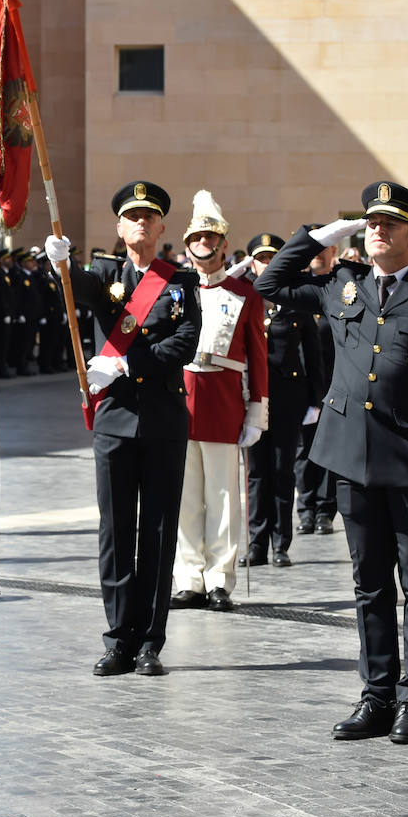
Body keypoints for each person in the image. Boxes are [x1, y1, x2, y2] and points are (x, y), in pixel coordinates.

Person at [255, 181, 408, 745]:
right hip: (350, 456)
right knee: (369, 584)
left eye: (391, 223)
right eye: (372, 222)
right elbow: (269, 284)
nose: (378, 229)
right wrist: (316, 236)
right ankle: (376, 696)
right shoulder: (341, 282)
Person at [45, 180, 202, 676]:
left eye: (148, 216)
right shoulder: (103, 273)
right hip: (114, 421)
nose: (140, 222)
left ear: (161, 227)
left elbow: (186, 343)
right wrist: (61, 265)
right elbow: (83, 292)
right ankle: (118, 639)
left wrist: (128, 367)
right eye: (131, 216)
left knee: (157, 532)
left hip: (163, 420)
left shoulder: (180, 281)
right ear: (118, 227)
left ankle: (151, 642)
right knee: (116, 531)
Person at [170, 192, 267, 610]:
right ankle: (188, 577)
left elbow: (258, 359)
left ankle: (219, 581)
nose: (205, 243)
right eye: (197, 236)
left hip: (224, 402)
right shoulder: (174, 291)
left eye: (212, 237)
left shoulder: (246, 294)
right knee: (185, 497)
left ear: (224, 244)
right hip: (178, 400)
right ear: (188, 244)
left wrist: (256, 412)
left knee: (224, 497)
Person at [244, 232, 322, 567]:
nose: (266, 264)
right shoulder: (244, 298)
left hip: (289, 395)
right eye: (261, 258)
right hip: (252, 397)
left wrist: (316, 399)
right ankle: (256, 543)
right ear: (251, 263)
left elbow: (313, 353)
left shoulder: (294, 298)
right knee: (256, 472)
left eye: (272, 258)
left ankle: (280, 543)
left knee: (282, 469)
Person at [294, 227, 339, 536]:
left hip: (335, 388)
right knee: (304, 452)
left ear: (333, 252)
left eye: (324, 248)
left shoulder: (340, 288)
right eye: (314, 248)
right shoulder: (299, 290)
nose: (319, 254)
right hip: (304, 387)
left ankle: (325, 510)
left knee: (331, 450)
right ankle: (305, 509)